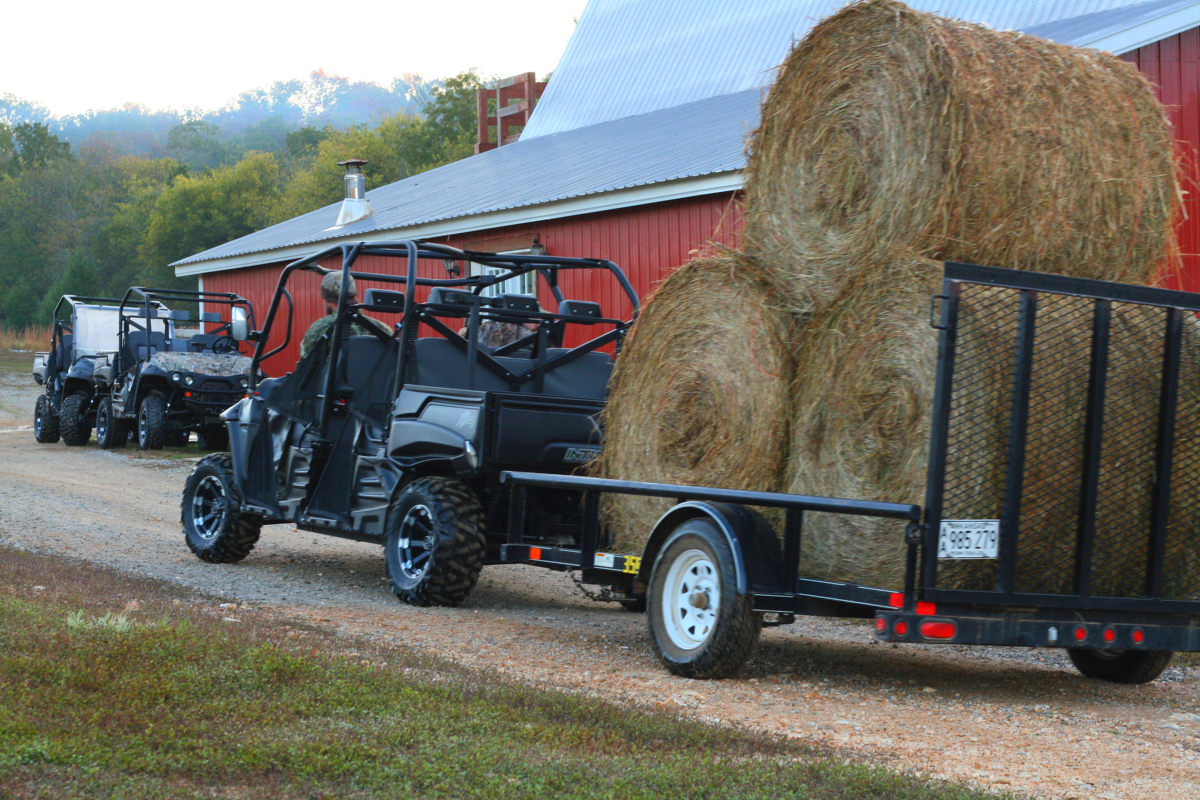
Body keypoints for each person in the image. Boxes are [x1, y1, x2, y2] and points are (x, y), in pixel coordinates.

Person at [300, 272, 393, 359]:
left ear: (327, 301)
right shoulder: (383, 329)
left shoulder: (320, 329)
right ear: (354, 296)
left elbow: (305, 370)